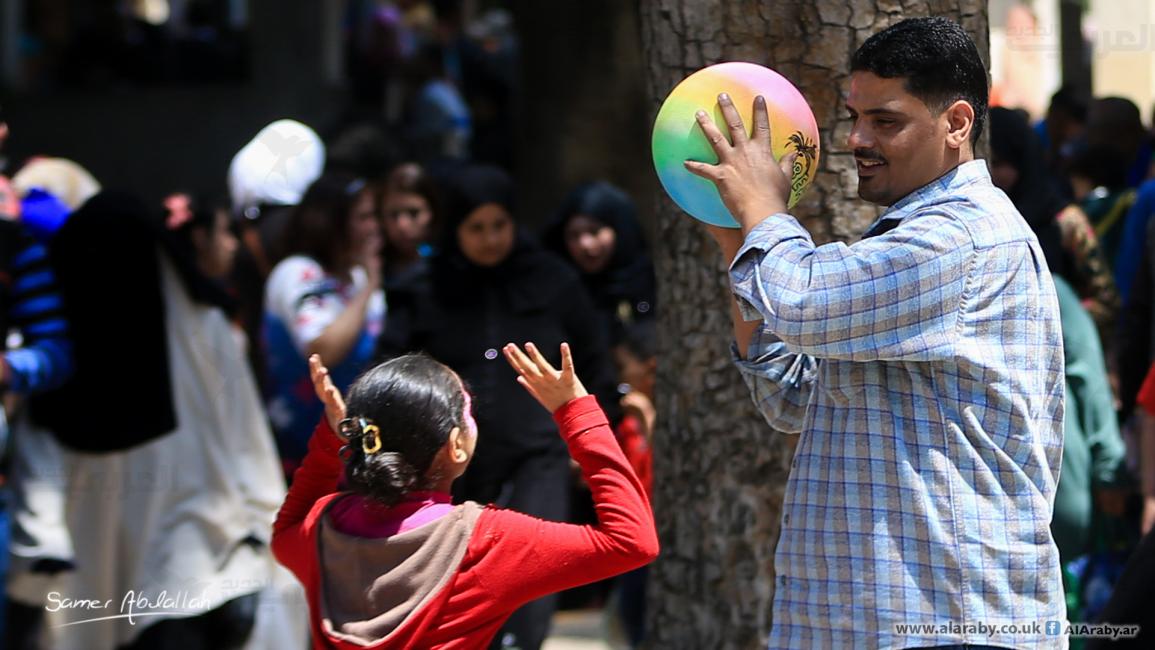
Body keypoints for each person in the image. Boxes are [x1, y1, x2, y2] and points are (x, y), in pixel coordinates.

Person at [684, 17, 1066, 648]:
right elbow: (792, 395)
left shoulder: (960, 239)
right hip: (868, 618)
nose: (857, 138)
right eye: (854, 116)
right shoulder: (913, 240)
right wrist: (738, 242)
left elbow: (801, 302)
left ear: (958, 124)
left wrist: (762, 212)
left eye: (885, 122)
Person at [28, 192, 294, 649]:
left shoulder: (199, 333)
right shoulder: (204, 328)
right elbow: (251, 452)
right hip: (194, 572)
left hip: (184, 579)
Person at [271, 344, 658, 649]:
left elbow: (285, 531)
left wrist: (328, 442)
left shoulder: (322, 529)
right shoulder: (486, 542)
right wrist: (577, 413)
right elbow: (632, 542)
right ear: (456, 445)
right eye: (468, 412)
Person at [378, 164, 620, 649]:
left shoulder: (553, 281)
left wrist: (589, 442)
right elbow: (392, 370)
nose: (490, 240)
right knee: (453, 578)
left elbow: (595, 365)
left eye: (499, 226)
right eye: (476, 228)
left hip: (538, 455)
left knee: (531, 573)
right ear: (455, 228)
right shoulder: (424, 288)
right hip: (448, 461)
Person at [264, 172, 385, 478]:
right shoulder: (297, 272)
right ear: (332, 221)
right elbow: (322, 350)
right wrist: (369, 287)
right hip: (299, 449)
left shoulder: (357, 276)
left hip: (353, 448)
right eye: (363, 217)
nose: (374, 227)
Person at [990, 107, 1120, 335]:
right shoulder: (985, 219)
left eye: (999, 162)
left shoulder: (1067, 222)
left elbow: (1107, 300)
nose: (991, 173)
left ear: (1022, 159)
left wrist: (1055, 316)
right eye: (985, 162)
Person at [542, 181, 657, 347]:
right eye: (574, 235)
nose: (585, 244)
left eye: (594, 231)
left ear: (620, 229)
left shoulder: (650, 284)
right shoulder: (559, 290)